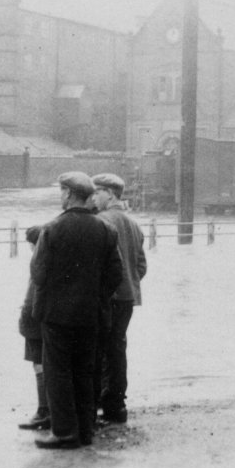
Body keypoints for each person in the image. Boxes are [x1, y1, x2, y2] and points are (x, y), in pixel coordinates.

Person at [30, 172, 123, 449]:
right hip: (92, 314)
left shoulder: (52, 229)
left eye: (62, 192)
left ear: (69, 194)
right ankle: (85, 429)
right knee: (85, 371)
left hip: (57, 316)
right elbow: (115, 274)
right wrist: (96, 297)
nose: (61, 197)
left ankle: (64, 432)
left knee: (57, 372)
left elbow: (38, 272)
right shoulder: (106, 229)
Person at [91, 173, 147, 424]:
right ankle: (116, 405)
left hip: (106, 297)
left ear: (110, 194)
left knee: (99, 349)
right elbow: (141, 266)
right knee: (117, 347)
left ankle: (101, 402)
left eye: (98, 192)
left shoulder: (100, 221)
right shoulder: (133, 224)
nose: (94, 197)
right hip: (128, 298)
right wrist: (129, 283)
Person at [17, 225, 50, 431]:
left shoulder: (37, 261)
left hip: (35, 319)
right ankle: (52, 408)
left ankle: (43, 411)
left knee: (39, 365)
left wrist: (24, 319)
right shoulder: (53, 258)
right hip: (51, 319)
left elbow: (32, 295)